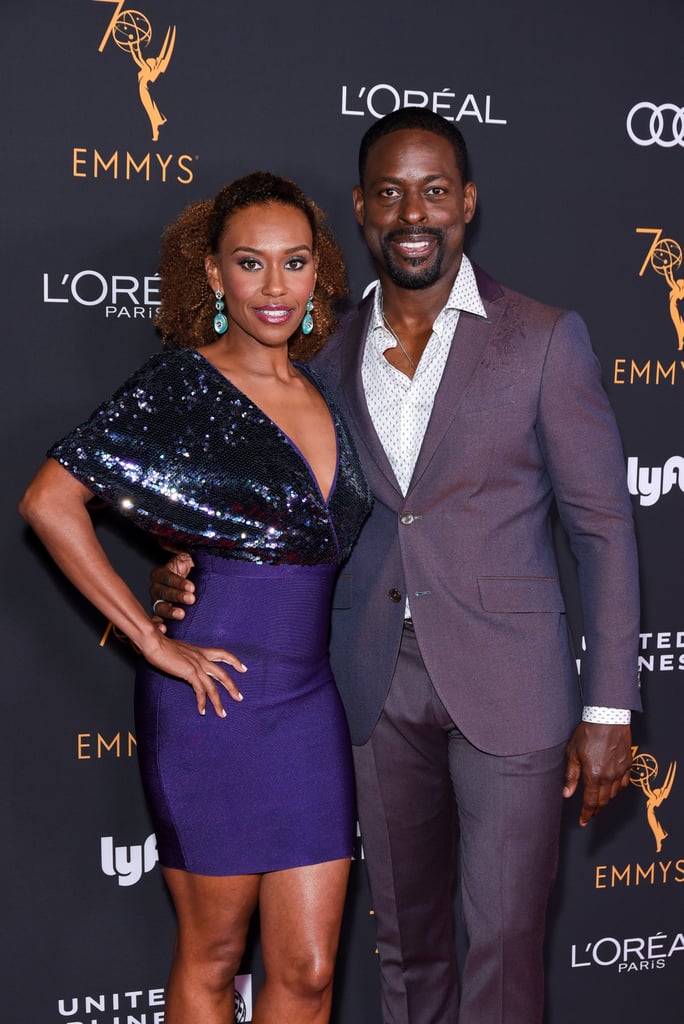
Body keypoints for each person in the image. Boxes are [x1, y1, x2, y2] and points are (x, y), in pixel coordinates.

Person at [150, 109, 641, 1024]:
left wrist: (609, 706)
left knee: (503, 944)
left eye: (434, 191)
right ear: (362, 213)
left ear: (467, 203)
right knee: (405, 947)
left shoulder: (541, 337)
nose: (413, 212)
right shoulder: (314, 352)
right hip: (366, 681)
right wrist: (183, 568)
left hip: (511, 682)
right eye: (390, 193)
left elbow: (604, 529)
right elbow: (260, 504)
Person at [19, 172, 372, 1024]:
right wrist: (149, 636)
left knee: (313, 970)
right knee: (213, 957)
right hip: (209, 701)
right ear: (214, 274)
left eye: (294, 264)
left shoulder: (331, 388)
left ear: (318, 273)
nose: (275, 287)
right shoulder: (180, 385)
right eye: (251, 264)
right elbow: (48, 501)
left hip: (308, 703)